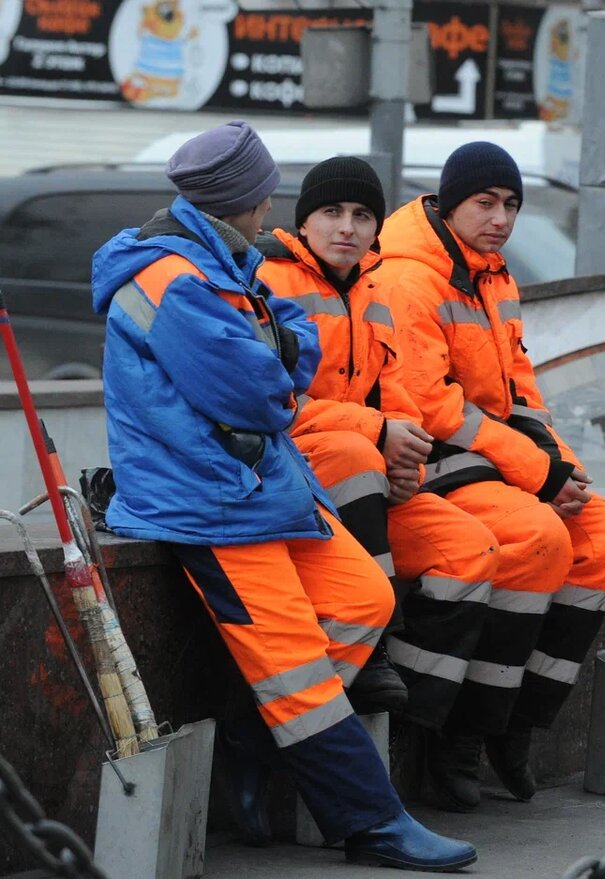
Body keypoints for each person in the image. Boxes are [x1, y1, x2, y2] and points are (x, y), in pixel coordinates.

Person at [91, 121, 477, 872]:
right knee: (297, 663)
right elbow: (262, 393)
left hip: (258, 485)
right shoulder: (171, 276)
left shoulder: (225, 258)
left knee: (366, 596)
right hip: (207, 501)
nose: (270, 203)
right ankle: (371, 822)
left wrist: (274, 356)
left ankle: (246, 728)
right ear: (241, 194)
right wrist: (276, 359)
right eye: (263, 190)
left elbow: (291, 340)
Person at [373, 142, 605, 812]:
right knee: (538, 535)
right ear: (450, 202)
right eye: (486, 202)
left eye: (511, 204)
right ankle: (457, 732)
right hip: (430, 462)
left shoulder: (493, 275)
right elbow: (433, 408)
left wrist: (563, 469)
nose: (501, 216)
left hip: (487, 458)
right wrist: (537, 474)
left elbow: (520, 393)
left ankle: (517, 722)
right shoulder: (411, 277)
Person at [256, 156, 503, 760]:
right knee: (350, 451)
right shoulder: (269, 277)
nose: (348, 227)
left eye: (363, 215)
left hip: (364, 476)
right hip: (292, 468)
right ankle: (377, 652)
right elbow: (271, 402)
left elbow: (397, 395)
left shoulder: (374, 287)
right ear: (304, 221)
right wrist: (377, 432)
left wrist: (406, 461)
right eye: (332, 213)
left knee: (473, 550)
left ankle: (420, 734)